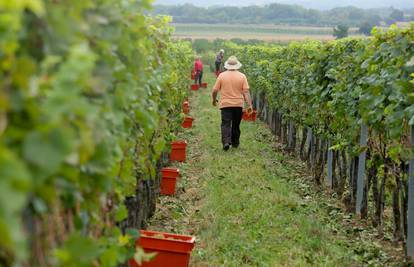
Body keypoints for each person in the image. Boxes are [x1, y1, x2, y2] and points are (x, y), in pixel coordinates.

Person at [212, 56, 253, 151]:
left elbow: (214, 90)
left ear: (227, 66)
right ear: (237, 66)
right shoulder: (242, 76)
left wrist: (214, 100)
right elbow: (246, 92)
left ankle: (226, 142)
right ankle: (235, 143)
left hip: (225, 104)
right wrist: (249, 105)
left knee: (225, 124)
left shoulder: (222, 75)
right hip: (238, 105)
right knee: (236, 124)